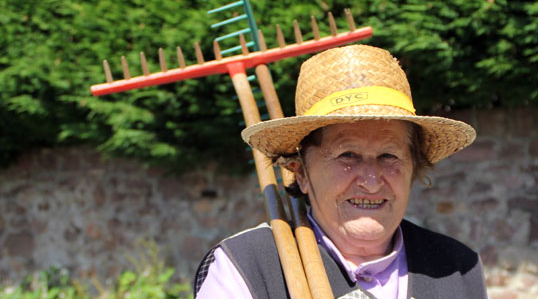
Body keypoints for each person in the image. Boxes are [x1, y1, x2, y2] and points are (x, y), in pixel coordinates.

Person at [194, 45, 488, 299]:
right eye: (348, 155)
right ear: (301, 173)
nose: (372, 182)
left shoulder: (457, 268)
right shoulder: (246, 266)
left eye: (389, 155)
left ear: (413, 165)